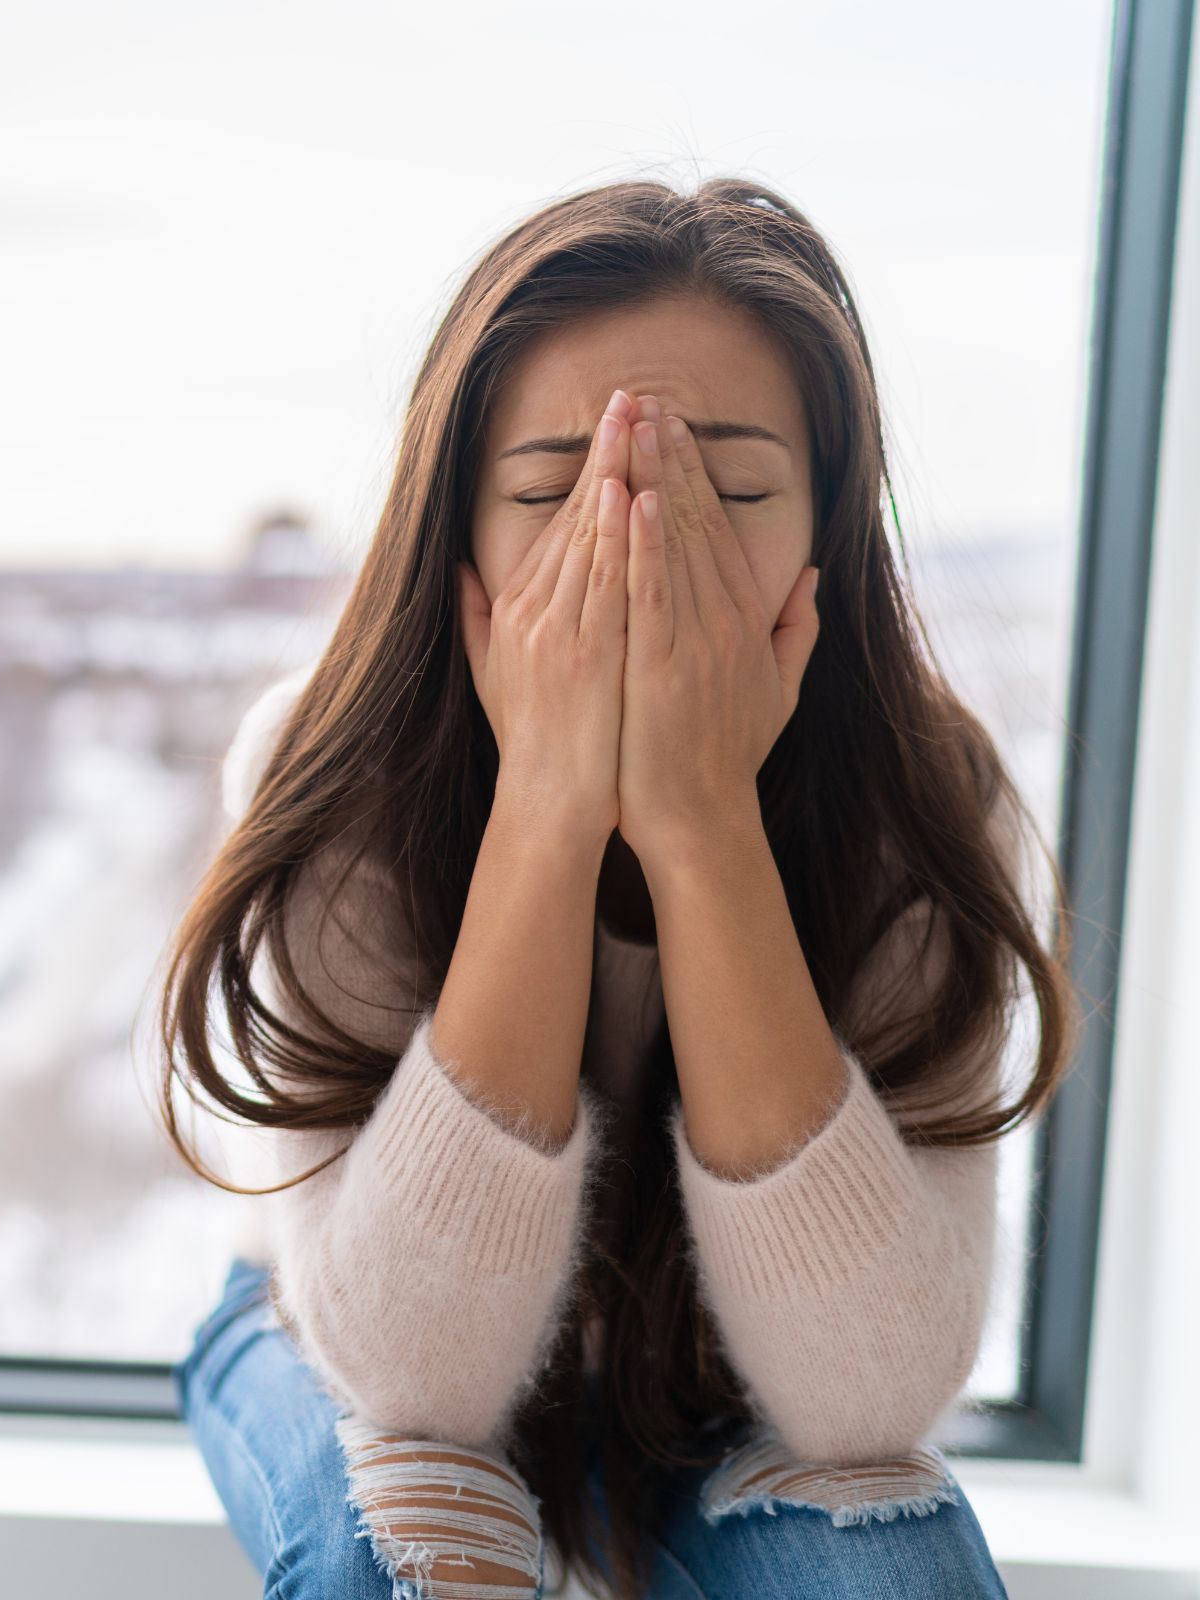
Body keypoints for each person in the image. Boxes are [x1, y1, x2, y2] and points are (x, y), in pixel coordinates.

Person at [155, 175, 1080, 1600]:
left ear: (833, 527)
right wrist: (550, 804)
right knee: (399, 1545)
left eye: (735, 492)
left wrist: (705, 821)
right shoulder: (332, 766)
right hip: (331, 1318)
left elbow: (865, 1401)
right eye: (549, 496)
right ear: (452, 535)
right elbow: (416, 1378)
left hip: (723, 1375)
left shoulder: (931, 800)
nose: (641, 546)